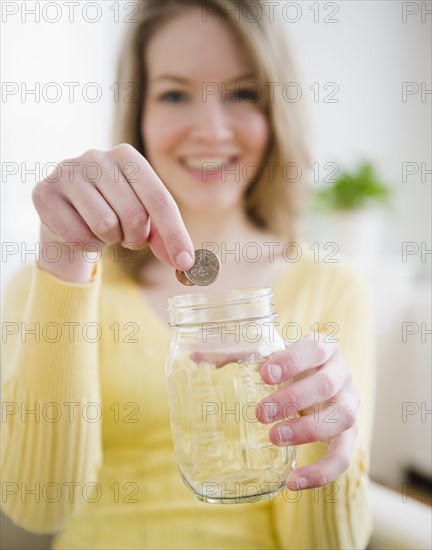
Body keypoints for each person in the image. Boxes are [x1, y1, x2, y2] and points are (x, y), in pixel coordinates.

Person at [1, 1, 375, 548]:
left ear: (276, 110)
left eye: (243, 93)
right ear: (139, 113)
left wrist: (322, 438)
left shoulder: (335, 286)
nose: (211, 129)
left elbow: (325, 546)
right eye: (175, 93)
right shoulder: (54, 277)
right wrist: (63, 262)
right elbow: (37, 508)